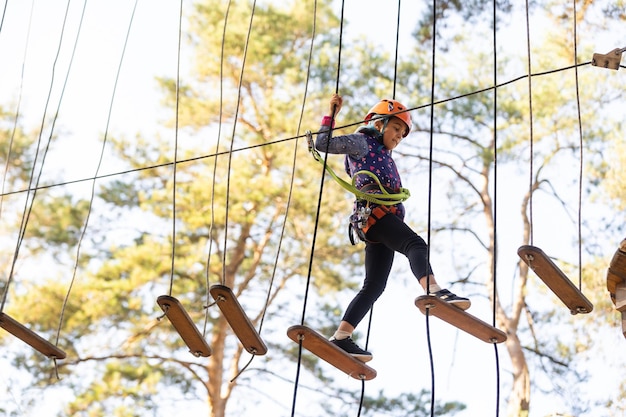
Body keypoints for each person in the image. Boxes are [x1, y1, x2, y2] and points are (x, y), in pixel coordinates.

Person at [315, 94, 471, 362]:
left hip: (380, 219)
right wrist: (331, 114)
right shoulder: (362, 142)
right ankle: (433, 289)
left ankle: (341, 337)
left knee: (374, 285)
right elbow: (323, 143)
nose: (398, 137)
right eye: (396, 129)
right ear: (378, 123)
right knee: (415, 244)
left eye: (402, 134)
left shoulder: (384, 154)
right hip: (375, 215)